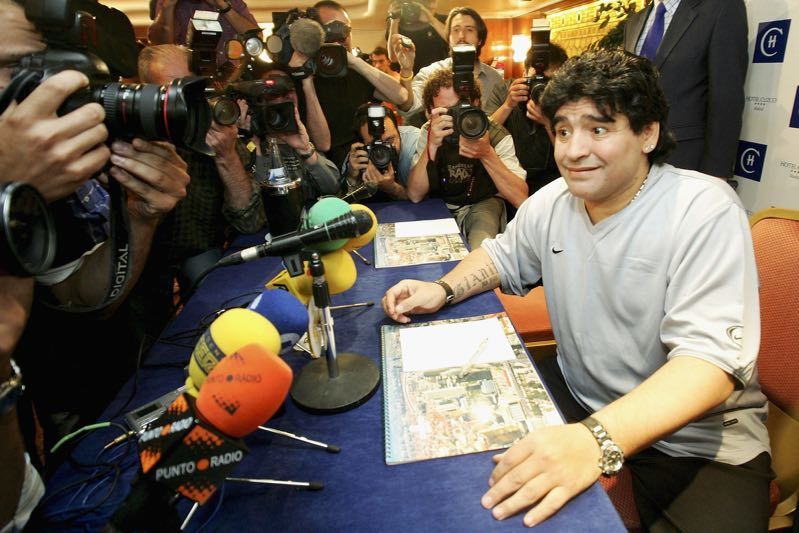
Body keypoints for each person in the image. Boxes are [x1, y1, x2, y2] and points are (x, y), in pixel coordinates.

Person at [382, 50, 772, 531]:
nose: (572, 151)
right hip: (578, 395)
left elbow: (708, 365)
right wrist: (442, 288)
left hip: (694, 444)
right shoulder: (554, 201)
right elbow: (501, 256)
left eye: (598, 129)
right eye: (563, 131)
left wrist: (594, 440)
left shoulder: (704, 208)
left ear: (648, 133)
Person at [0, 0, 191, 462]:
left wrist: (140, 217)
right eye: (13, 68)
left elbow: (79, 295)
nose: (41, 88)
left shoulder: (43, 163)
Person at [623, 0, 748, 180]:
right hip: (632, 160)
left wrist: (716, 175)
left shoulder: (721, 8)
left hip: (685, 159)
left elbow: (726, 97)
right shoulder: (634, 22)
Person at [407, 68, 526, 249]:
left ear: (477, 104)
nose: (456, 118)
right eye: (447, 111)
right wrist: (431, 146)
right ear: (430, 111)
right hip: (440, 204)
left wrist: (487, 154)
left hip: (483, 203)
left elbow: (520, 198)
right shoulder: (429, 131)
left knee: (481, 249)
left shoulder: (495, 133)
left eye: (462, 108)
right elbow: (415, 195)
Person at [310, 0, 410, 169]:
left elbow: (401, 96)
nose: (342, 36)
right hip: (328, 168)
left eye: (346, 29)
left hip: (369, 161)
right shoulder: (306, 77)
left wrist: (355, 62)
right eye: (332, 28)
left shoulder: (356, 71)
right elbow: (322, 144)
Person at [397, 7, 507, 121]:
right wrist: (406, 70)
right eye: (456, 30)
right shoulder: (431, 73)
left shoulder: (494, 79)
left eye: (469, 30)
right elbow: (408, 107)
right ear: (448, 38)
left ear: (479, 39)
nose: (461, 36)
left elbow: (502, 123)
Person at [489, 43, 568, 196]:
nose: (542, 87)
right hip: (509, 176)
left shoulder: (567, 98)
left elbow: (568, 157)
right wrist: (507, 105)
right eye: (536, 80)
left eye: (549, 81)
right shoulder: (505, 90)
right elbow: (484, 134)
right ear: (524, 73)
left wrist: (548, 122)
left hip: (554, 181)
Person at [148, 0, 260, 68]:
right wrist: (168, 7)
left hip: (230, 74)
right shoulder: (167, 4)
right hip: (185, 73)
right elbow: (161, 47)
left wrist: (224, 7)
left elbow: (256, 39)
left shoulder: (232, 2)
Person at [344, 103, 420, 201]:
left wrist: (393, 188)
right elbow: (347, 204)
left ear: (398, 130)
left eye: (389, 140)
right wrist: (352, 178)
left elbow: (423, 200)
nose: (382, 151)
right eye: (374, 145)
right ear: (362, 143)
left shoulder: (416, 144)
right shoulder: (358, 154)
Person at [385, 0, 448, 74]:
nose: (430, 3)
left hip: (441, 74)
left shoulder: (443, 20)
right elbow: (393, 58)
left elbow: (454, 41)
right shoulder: (398, 24)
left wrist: (431, 20)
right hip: (413, 76)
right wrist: (394, 20)